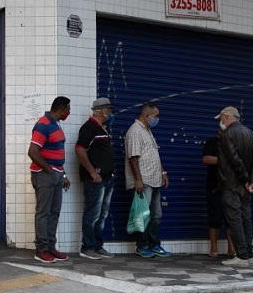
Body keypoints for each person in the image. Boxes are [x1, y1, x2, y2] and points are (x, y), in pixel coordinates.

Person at [214, 107, 253, 267]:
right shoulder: (250, 133)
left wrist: (246, 179)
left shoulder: (227, 134)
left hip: (231, 183)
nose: (221, 122)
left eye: (221, 119)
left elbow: (234, 160)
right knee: (246, 218)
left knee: (234, 219)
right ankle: (249, 254)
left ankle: (242, 256)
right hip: (245, 186)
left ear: (227, 117)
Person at [28, 96, 72, 263]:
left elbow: (57, 152)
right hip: (45, 174)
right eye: (68, 109)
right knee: (43, 213)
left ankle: (51, 248)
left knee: (54, 213)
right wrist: (49, 170)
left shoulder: (56, 124)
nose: (69, 112)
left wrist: (63, 174)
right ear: (60, 110)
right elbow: (32, 152)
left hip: (57, 174)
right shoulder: (43, 125)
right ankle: (41, 249)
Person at [125, 101, 171, 258]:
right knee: (142, 215)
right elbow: (133, 158)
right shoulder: (135, 131)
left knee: (156, 215)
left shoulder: (147, 130)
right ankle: (142, 245)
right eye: (155, 116)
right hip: (143, 181)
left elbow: (154, 155)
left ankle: (154, 245)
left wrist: (163, 172)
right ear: (147, 115)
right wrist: (138, 180)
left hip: (154, 179)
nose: (157, 119)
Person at [75, 97, 116, 260]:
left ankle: (98, 246)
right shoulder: (89, 128)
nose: (111, 114)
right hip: (95, 180)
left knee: (102, 215)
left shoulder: (103, 129)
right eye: (109, 110)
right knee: (92, 214)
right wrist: (93, 172)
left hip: (107, 178)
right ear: (102, 111)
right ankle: (87, 247)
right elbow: (79, 149)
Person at [202, 128, 236, 259]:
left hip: (232, 186)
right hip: (214, 186)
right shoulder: (212, 143)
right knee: (214, 218)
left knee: (231, 219)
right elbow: (206, 159)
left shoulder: (235, 143)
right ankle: (213, 248)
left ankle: (232, 249)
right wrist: (224, 160)